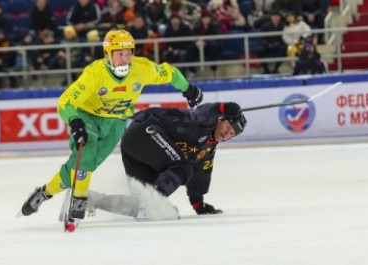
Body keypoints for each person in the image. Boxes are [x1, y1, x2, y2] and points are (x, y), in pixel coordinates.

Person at [20, 28, 204, 221]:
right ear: (108, 54)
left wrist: (189, 89)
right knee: (86, 154)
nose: (125, 59)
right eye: (119, 54)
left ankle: (43, 193)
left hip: (116, 123)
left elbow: (170, 74)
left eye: (128, 53)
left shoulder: (141, 69)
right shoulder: (95, 74)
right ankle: (79, 198)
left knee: (83, 167)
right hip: (87, 117)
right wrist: (75, 122)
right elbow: (65, 102)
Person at [87, 102, 247, 219]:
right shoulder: (204, 122)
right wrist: (227, 108)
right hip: (145, 131)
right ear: (221, 120)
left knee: (141, 201)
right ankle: (152, 204)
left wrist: (199, 205)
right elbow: (207, 110)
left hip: (136, 149)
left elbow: (201, 174)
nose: (227, 134)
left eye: (232, 134)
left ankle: (88, 199)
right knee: (183, 168)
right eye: (228, 127)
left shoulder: (208, 148)